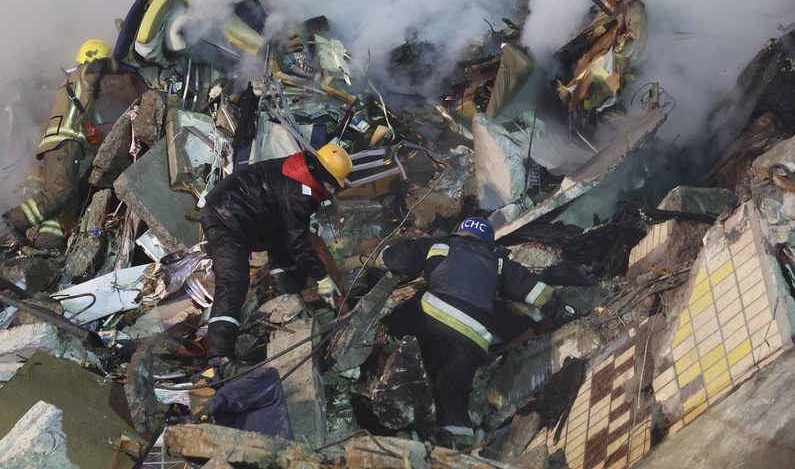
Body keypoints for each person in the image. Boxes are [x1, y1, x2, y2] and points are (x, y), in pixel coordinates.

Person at [367, 216, 577, 450]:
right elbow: (533, 289)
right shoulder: (497, 261)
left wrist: (377, 257)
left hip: (431, 319)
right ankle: (460, 450)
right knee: (453, 397)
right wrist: (561, 310)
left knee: (390, 323)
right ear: (489, 242)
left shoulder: (442, 245)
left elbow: (398, 259)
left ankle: (383, 361)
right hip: (472, 339)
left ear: (460, 232)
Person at [197, 143, 353, 377]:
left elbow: (289, 231)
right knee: (233, 281)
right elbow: (297, 241)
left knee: (284, 247)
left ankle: (287, 301)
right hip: (225, 217)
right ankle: (219, 359)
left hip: (244, 215)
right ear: (327, 178)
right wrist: (322, 278)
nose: (331, 191)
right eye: (332, 185)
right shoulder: (300, 192)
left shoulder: (298, 170)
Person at [2, 39, 115, 249]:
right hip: (64, 141)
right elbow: (94, 69)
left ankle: (49, 240)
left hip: (63, 143)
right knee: (61, 191)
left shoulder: (71, 82)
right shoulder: (84, 75)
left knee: (68, 199)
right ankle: (17, 218)